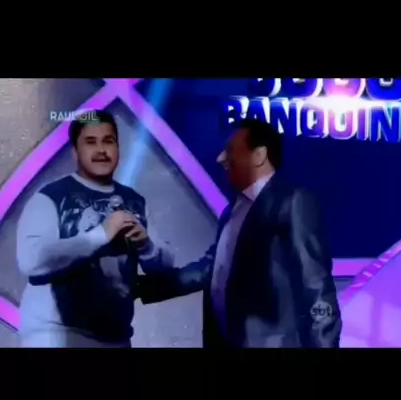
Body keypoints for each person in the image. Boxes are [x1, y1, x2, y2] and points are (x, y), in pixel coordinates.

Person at [138, 118, 342, 348]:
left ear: (259, 155)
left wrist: (325, 344)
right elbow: (209, 270)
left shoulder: (293, 202)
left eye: (231, 150)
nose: (221, 159)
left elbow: (316, 286)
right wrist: (137, 287)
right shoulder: (233, 210)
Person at [16, 110, 173, 347]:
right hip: (56, 335)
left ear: (118, 148)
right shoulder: (49, 197)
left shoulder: (135, 201)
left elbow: (165, 269)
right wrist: (101, 234)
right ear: (75, 151)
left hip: (116, 338)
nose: (101, 150)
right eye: (91, 142)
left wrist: (146, 246)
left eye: (108, 141)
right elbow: (31, 260)